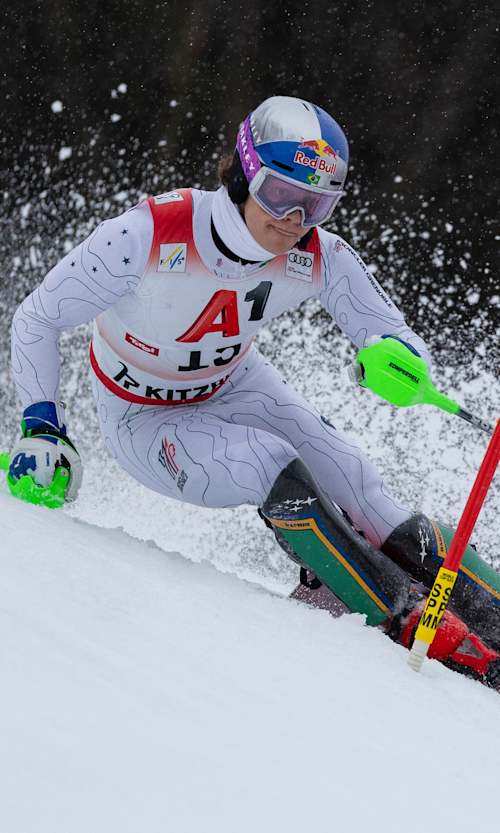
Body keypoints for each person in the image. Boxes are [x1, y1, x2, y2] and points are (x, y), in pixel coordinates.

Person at [9, 95, 500, 687]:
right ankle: (399, 614)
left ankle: (483, 613)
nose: (294, 220)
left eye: (315, 205)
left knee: (359, 483)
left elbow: (389, 331)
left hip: (235, 384)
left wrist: (399, 360)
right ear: (244, 174)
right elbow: (37, 317)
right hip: (145, 418)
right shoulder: (147, 234)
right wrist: (41, 427)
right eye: (280, 194)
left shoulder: (318, 255)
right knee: (270, 463)